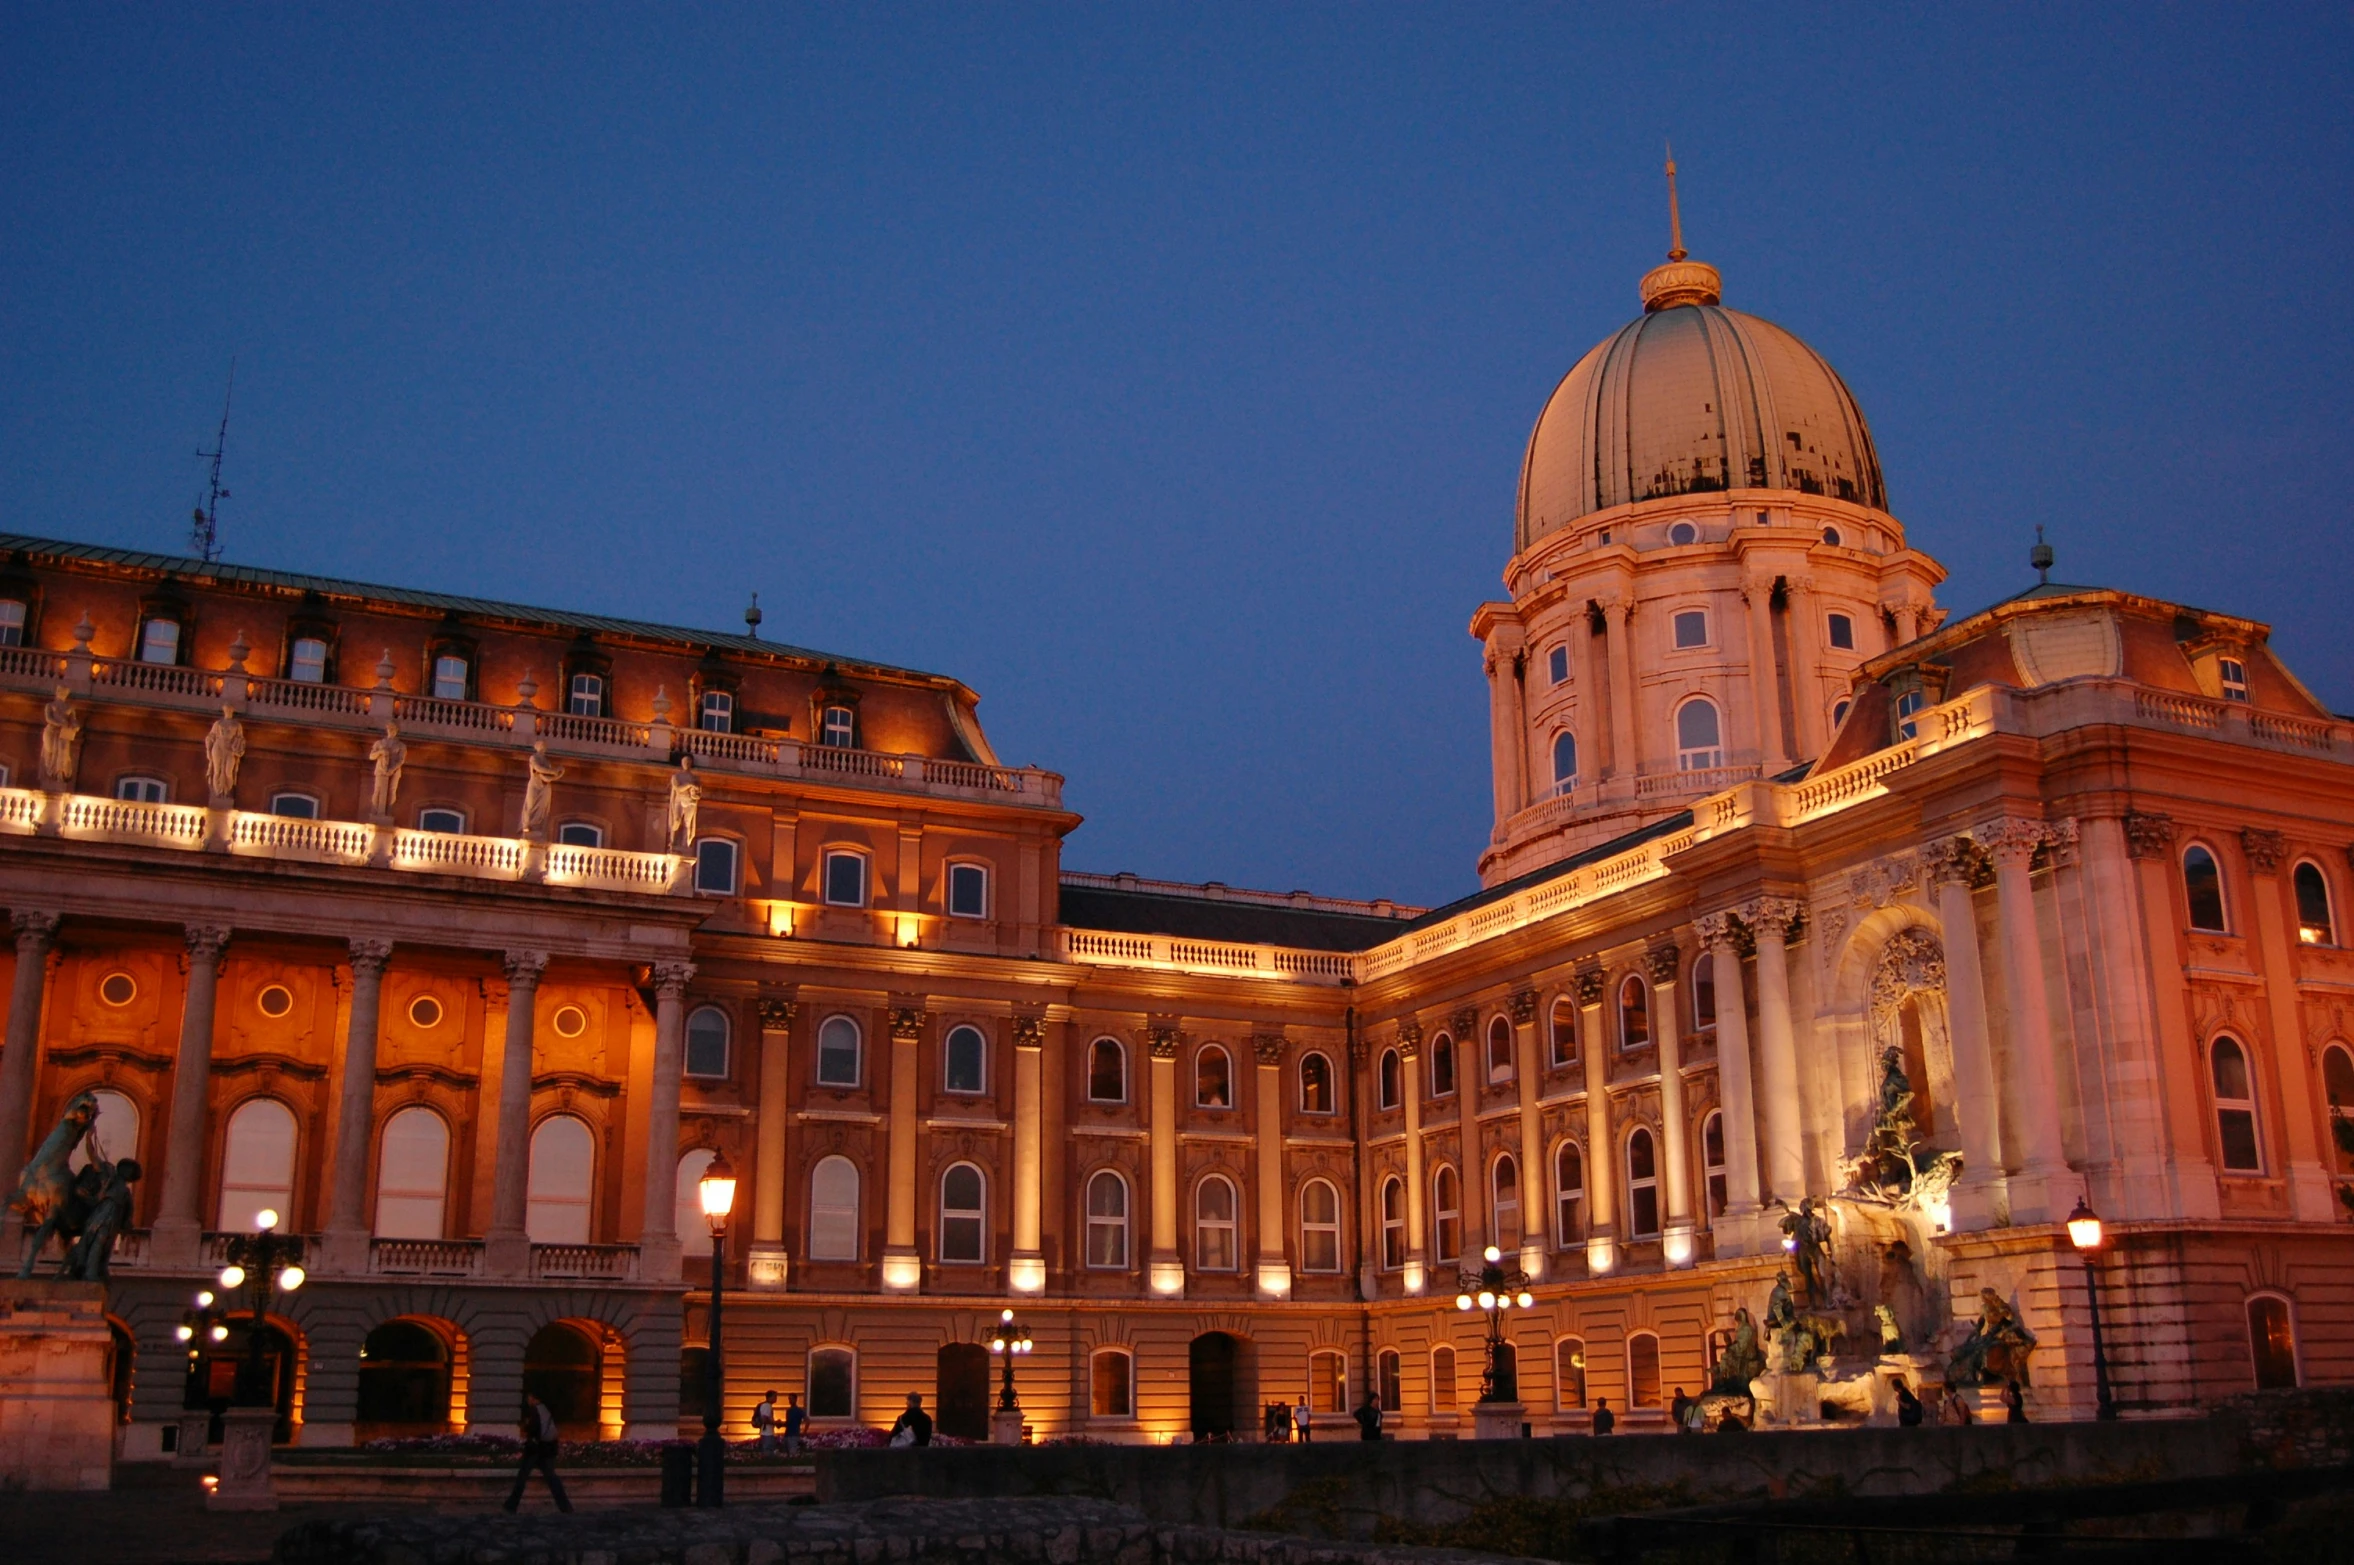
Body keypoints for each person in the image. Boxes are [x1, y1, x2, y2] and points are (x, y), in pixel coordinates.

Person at [504, 1393, 572, 1513]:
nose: (528, 1400)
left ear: (533, 1398)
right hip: (548, 1449)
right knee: (552, 1479)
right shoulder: (545, 1409)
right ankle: (565, 1506)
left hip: (535, 1450)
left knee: (522, 1477)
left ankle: (511, 1505)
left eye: (529, 1397)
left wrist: (526, 1427)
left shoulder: (535, 1410)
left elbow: (533, 1429)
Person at [752, 1389, 779, 1454]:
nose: (776, 1398)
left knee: (768, 1450)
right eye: (775, 1397)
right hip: (767, 1433)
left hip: (766, 1432)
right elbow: (765, 1419)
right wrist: (775, 1423)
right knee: (768, 1451)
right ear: (770, 1397)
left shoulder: (766, 1405)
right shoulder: (767, 1406)